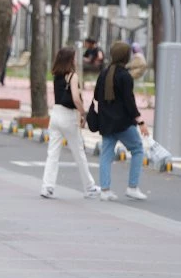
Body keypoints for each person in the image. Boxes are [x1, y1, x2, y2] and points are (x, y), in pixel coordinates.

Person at [40, 47, 100, 199]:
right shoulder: (72, 76)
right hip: (68, 116)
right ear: (69, 59)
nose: (75, 60)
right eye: (73, 57)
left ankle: (47, 187)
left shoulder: (57, 75)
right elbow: (75, 98)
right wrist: (83, 112)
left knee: (52, 153)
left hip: (56, 114)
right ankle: (89, 186)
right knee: (78, 152)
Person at [94, 41, 149, 201]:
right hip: (123, 124)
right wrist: (140, 122)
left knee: (106, 155)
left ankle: (105, 190)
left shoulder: (104, 73)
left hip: (106, 122)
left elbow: (97, 96)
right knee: (138, 149)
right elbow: (129, 102)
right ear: (126, 56)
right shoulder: (125, 76)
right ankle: (132, 187)